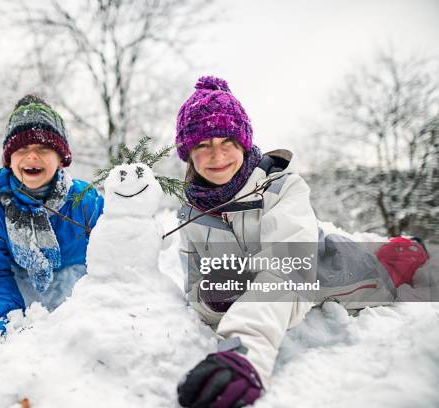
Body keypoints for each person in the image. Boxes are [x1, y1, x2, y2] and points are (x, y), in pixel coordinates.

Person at [174, 76, 429, 407]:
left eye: (228, 142)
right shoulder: (190, 213)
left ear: (244, 143)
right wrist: (215, 299)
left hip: (332, 267)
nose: (217, 155)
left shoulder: (281, 188)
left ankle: (407, 247)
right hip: (292, 268)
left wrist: (246, 348)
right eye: (203, 145)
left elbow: (288, 271)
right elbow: (196, 290)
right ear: (189, 153)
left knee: (388, 266)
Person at [0, 94, 104, 338]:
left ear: (61, 159)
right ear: (9, 160)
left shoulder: (85, 201)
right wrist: (7, 317)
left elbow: (113, 248)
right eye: (22, 148)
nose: (32, 156)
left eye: (44, 148)